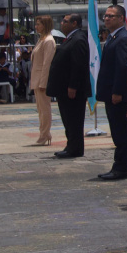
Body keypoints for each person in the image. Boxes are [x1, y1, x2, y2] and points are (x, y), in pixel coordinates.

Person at [96, 4, 127, 180]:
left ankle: (121, 168)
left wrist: (117, 91)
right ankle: (118, 165)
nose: (106, 18)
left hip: (118, 95)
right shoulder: (113, 37)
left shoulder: (123, 39)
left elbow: (123, 67)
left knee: (121, 133)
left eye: (111, 16)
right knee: (116, 131)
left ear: (121, 18)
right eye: (105, 16)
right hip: (110, 93)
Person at [46, 13, 91, 158]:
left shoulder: (78, 39)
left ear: (74, 23)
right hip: (64, 88)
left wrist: (73, 86)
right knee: (68, 119)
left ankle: (75, 148)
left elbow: (79, 65)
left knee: (74, 120)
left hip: (72, 89)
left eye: (65, 21)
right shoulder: (71, 38)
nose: (62, 23)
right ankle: (71, 145)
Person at [30, 16, 56, 146]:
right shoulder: (42, 39)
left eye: (39, 24)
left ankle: (45, 133)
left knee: (45, 109)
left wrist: (43, 82)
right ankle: (44, 133)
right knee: (40, 109)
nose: (36, 26)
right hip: (36, 77)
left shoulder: (49, 41)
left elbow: (47, 63)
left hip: (42, 79)